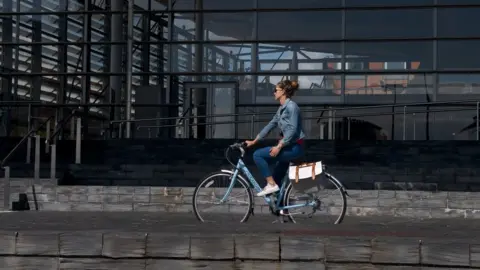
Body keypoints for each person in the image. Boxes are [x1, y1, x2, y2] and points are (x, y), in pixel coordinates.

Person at [245, 79, 306, 197]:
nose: (274, 93)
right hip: (289, 146)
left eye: (275, 90)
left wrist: (279, 146)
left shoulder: (292, 107)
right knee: (277, 180)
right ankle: (282, 208)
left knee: (258, 155)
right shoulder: (281, 109)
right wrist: (254, 141)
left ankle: (271, 184)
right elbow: (270, 125)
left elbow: (292, 130)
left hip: (294, 147)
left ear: (283, 92)